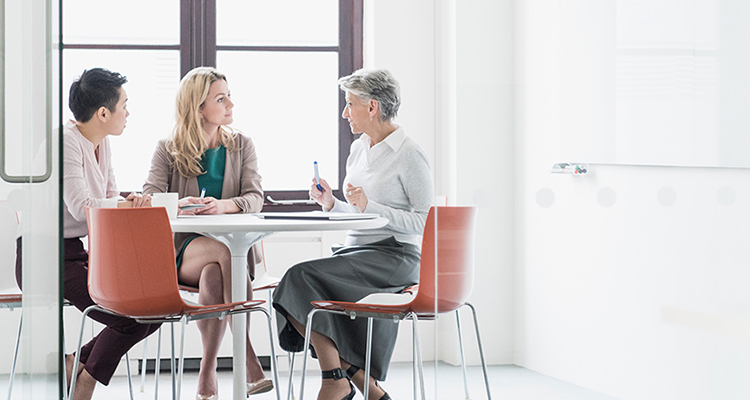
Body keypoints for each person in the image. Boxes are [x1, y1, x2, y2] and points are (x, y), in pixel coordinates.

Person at [272, 68, 434, 400]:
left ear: (372, 107)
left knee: (297, 279)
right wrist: (332, 203)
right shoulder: (359, 149)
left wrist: (371, 206)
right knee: (292, 291)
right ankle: (357, 381)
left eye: (350, 104)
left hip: (394, 256)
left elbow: (423, 222)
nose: (345, 113)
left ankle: (337, 379)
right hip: (357, 251)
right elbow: (361, 213)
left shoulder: (410, 154)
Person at [14, 68, 159, 400]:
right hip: (44, 259)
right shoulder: (64, 142)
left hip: (76, 253)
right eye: (125, 105)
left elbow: (107, 198)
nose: (128, 113)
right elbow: (83, 208)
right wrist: (124, 206)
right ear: (103, 113)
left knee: (151, 308)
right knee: (132, 316)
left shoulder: (101, 143)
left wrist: (130, 201)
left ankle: (74, 363)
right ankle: (85, 381)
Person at [142, 66, 271, 399]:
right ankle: (248, 358)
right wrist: (180, 203)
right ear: (199, 107)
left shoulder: (241, 145)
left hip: (230, 256)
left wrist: (224, 206)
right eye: (220, 98)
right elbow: (149, 199)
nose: (230, 104)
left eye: (229, 96)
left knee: (215, 275)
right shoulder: (167, 148)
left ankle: (207, 371)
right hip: (185, 252)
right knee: (223, 253)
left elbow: (256, 198)